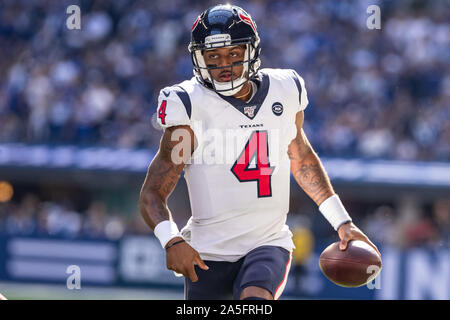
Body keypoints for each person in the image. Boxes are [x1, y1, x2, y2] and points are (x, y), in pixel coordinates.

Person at [139, 4, 380, 300]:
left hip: (267, 242)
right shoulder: (188, 104)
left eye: (233, 54)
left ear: (251, 52)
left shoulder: (285, 89)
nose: (223, 64)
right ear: (198, 58)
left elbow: (301, 160)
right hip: (207, 250)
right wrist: (171, 240)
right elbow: (153, 192)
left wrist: (343, 223)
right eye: (212, 56)